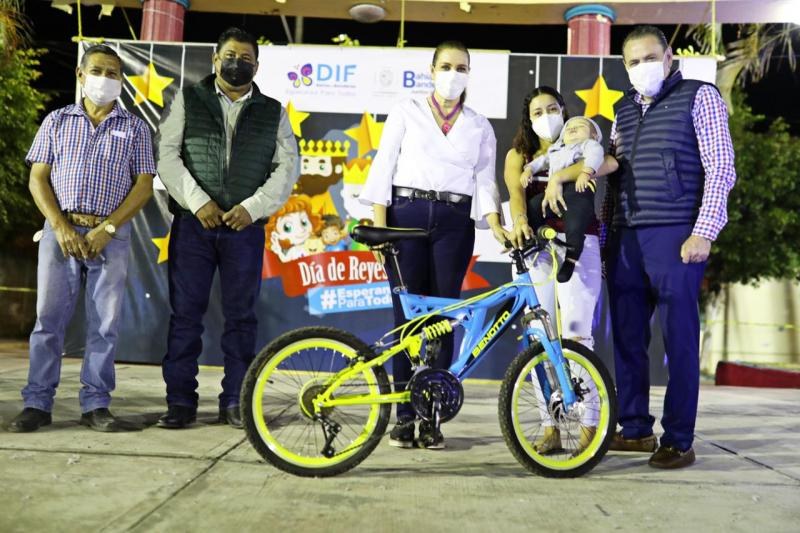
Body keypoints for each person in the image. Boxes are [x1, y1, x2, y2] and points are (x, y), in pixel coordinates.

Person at [360, 40, 509, 450]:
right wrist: (379, 226)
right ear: (431, 69)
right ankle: (404, 417)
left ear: (469, 73)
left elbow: (485, 180)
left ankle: (433, 416)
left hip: (454, 223)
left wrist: (495, 223)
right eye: (446, 66)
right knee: (405, 320)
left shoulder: (479, 124)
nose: (453, 74)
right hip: (405, 216)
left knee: (443, 319)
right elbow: (384, 165)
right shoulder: (407, 110)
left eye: (461, 67)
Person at [604, 25, 736, 468]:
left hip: (678, 234)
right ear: (624, 66)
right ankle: (635, 429)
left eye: (649, 57)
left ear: (670, 55)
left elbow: (721, 168)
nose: (642, 67)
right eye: (633, 62)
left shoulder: (701, 96)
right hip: (626, 237)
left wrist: (704, 231)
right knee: (626, 337)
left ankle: (678, 438)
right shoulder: (621, 110)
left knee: (678, 339)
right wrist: (608, 235)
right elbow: (613, 174)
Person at [7, 44, 155, 433]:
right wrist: (60, 226)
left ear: (122, 80)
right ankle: (37, 403)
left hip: (110, 237)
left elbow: (143, 186)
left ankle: (95, 405)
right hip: (60, 234)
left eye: (113, 73)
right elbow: (37, 178)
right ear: (80, 74)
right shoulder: (56, 121)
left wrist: (107, 229)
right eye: (98, 71)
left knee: (104, 325)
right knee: (47, 321)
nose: (105, 79)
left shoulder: (135, 128)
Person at [155, 27, 299, 430]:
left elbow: (286, 169)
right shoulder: (188, 99)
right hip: (193, 226)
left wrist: (252, 209)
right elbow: (167, 155)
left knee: (241, 320)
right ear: (216, 60)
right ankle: (180, 403)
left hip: (244, 230)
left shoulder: (273, 111)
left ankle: (236, 401)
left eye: (247, 58)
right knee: (185, 318)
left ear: (256, 64)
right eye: (231, 56)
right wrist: (197, 201)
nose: (239, 63)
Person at [503, 87, 617, 454]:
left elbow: (610, 163)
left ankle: (588, 426)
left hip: (579, 245)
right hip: (536, 249)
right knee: (539, 338)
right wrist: (519, 219)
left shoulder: (584, 142)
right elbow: (515, 193)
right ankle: (550, 425)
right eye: (538, 111)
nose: (546, 116)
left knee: (576, 334)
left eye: (553, 108)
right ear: (528, 118)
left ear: (565, 111)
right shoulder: (519, 155)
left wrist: (559, 177)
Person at [522, 116, 606, 282]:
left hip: (577, 189)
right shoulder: (556, 149)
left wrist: (586, 172)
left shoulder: (588, 145)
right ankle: (535, 239)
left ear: (594, 136)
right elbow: (541, 162)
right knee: (533, 207)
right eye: (568, 127)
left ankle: (571, 258)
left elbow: (596, 155)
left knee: (575, 223)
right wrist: (528, 170)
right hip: (553, 194)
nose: (572, 129)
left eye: (580, 126)